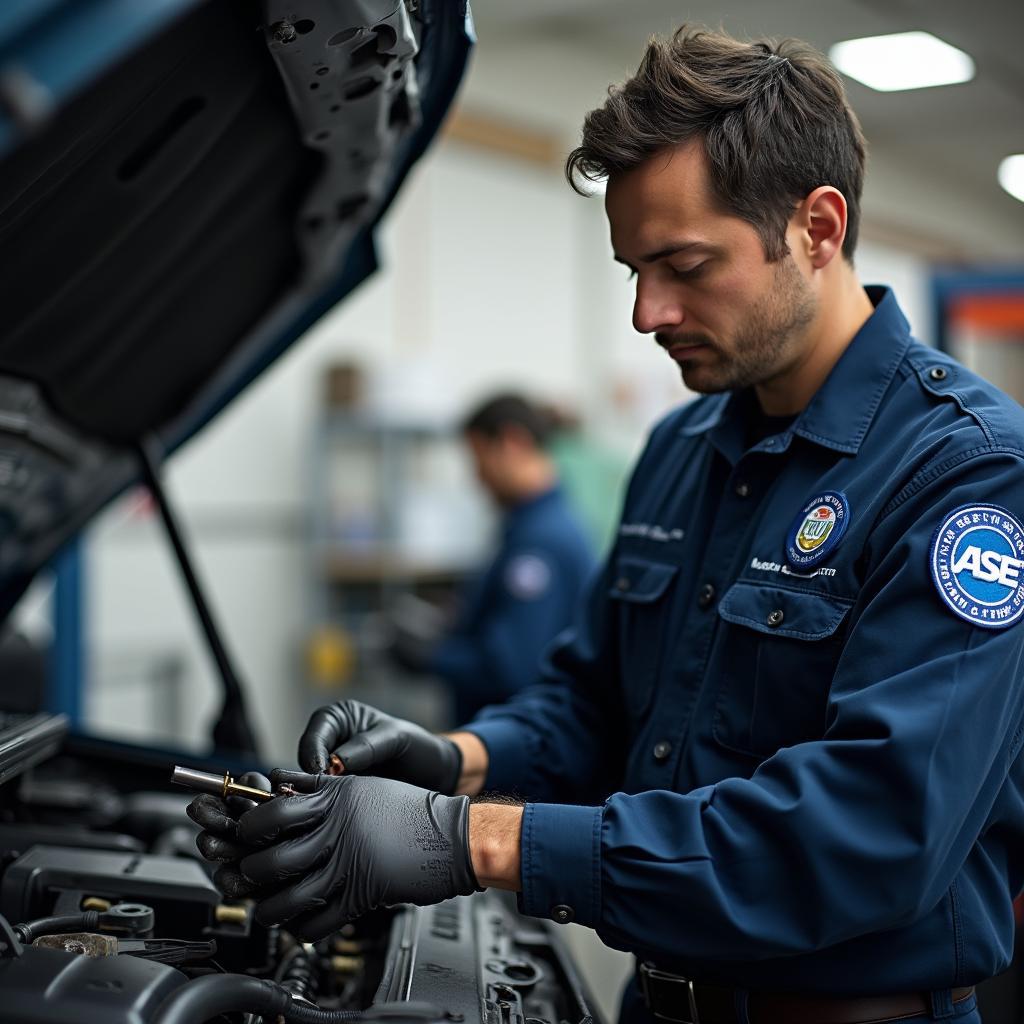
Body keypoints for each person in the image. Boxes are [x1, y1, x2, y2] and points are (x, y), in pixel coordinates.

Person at [188, 26, 1024, 1024]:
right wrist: (451, 758)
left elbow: (871, 833)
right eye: (632, 268)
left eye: (682, 264)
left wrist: (468, 840)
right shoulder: (682, 448)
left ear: (817, 226)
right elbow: (592, 703)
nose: (644, 312)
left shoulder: (967, 472)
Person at [390, 392, 596, 722]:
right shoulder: (529, 527)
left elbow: (513, 669)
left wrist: (431, 656)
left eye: (479, 459)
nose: (477, 478)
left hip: (516, 751)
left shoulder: (540, 543)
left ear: (512, 443)